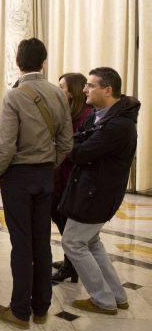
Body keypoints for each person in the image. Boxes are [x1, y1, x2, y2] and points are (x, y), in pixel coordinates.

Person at [0, 38, 73, 329]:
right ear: (44, 62)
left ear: (17, 61)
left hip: (19, 176)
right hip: (45, 175)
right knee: (42, 241)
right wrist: (51, 164)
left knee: (21, 244)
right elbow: (66, 141)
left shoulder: (13, 95)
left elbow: (6, 145)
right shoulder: (57, 92)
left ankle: (19, 310)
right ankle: (41, 308)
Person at [59, 68, 139, 315]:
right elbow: (81, 142)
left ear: (107, 90)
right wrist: (75, 146)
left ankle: (102, 300)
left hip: (97, 195)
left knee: (72, 242)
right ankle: (117, 295)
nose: (84, 90)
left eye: (91, 86)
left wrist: (68, 147)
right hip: (92, 191)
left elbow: (81, 152)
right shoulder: (99, 115)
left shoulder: (119, 126)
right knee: (91, 243)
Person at [51, 73, 94, 283]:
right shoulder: (68, 112)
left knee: (67, 223)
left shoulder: (85, 116)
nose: (59, 90)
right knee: (60, 219)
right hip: (61, 176)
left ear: (72, 91)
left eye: (62, 86)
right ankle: (70, 262)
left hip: (72, 178)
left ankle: (71, 266)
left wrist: (59, 148)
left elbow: (77, 148)